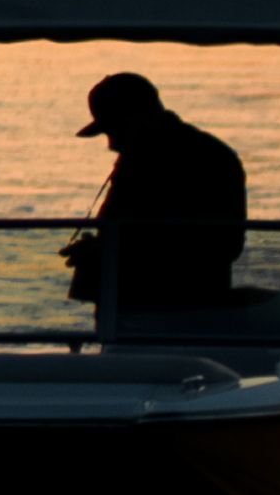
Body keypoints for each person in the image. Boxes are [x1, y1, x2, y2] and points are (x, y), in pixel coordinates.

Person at [73, 70, 245, 316]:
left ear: (138, 115)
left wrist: (107, 252)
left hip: (180, 311)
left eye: (114, 130)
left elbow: (216, 245)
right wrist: (101, 249)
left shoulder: (205, 159)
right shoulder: (140, 156)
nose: (111, 144)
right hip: (138, 313)